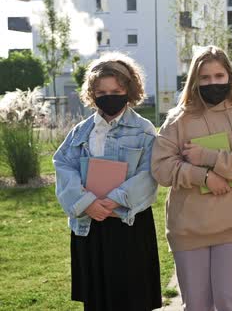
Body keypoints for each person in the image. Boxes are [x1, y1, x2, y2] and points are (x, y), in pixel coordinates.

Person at [151, 46, 232, 311]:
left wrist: (209, 156)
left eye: (218, 76)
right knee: (197, 305)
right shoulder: (176, 120)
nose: (212, 83)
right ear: (194, 80)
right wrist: (201, 176)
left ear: (230, 78)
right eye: (204, 78)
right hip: (189, 227)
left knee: (231, 300)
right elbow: (161, 167)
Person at [53, 52, 161, 311]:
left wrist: (114, 201)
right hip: (89, 226)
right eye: (101, 92)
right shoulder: (80, 132)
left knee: (133, 300)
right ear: (92, 94)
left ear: (130, 89)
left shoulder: (144, 130)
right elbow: (63, 165)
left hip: (129, 226)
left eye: (116, 89)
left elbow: (149, 174)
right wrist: (86, 202)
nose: (109, 96)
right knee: (97, 301)